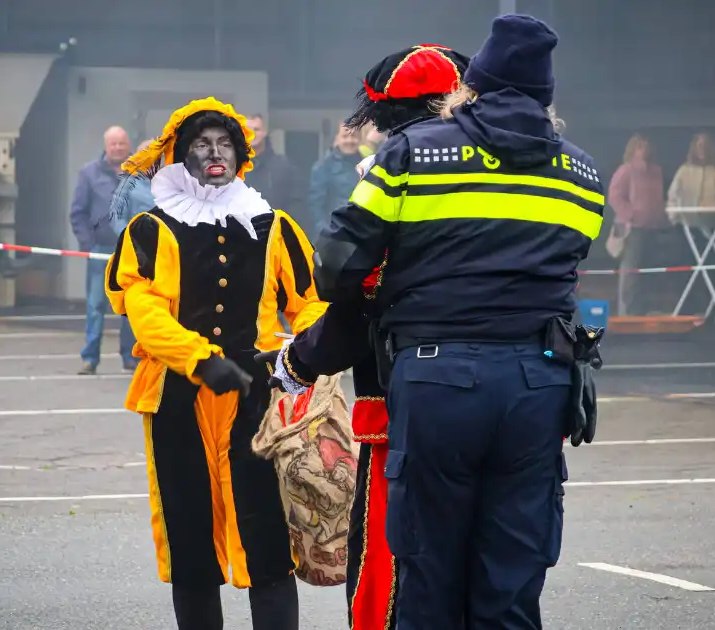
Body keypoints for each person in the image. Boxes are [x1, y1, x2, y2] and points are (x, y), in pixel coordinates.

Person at [312, 15, 603, 630]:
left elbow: (336, 270)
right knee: (513, 580)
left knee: (429, 575)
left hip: (437, 379)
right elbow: (567, 270)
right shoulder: (583, 174)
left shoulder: (411, 154)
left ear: (472, 87)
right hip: (540, 384)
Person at [256, 43, 471, 630]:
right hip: (515, 398)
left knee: (390, 554)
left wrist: (297, 363)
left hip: (408, 396)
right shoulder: (522, 173)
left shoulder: (395, 173)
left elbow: (354, 289)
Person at [104, 97, 327, 630]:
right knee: (191, 539)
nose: (215, 153)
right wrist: (199, 359)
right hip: (178, 397)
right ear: (181, 155)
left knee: (267, 537)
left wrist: (304, 353)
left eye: (225, 143)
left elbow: (310, 301)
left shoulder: (273, 225)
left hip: (258, 397)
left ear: (241, 154)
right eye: (202, 145)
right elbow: (145, 311)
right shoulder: (151, 229)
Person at [70, 125, 137, 374]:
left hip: (131, 251)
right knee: (95, 305)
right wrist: (88, 244)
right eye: (113, 144)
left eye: (122, 143)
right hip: (99, 250)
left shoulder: (141, 171)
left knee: (131, 306)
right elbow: (78, 213)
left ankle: (130, 357)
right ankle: (90, 358)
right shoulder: (89, 173)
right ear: (106, 146)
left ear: (128, 145)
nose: (118, 148)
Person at [608, 133, 667, 315]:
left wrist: (660, 215)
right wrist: (630, 214)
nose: (644, 150)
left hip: (652, 226)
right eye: (640, 146)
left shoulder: (656, 172)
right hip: (631, 228)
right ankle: (628, 312)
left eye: (646, 146)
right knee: (631, 271)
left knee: (648, 270)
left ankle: (643, 309)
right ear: (632, 149)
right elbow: (614, 196)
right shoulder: (626, 170)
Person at [243, 113, 302, 220]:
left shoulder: (283, 165)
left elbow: (295, 202)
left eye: (257, 129)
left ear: (265, 132)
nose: (252, 134)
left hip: (275, 227)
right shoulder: (233, 168)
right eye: (248, 130)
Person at [308, 122, 363, 234]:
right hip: (334, 234)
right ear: (337, 138)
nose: (349, 140)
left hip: (360, 234)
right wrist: (326, 233)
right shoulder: (323, 167)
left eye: (353, 136)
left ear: (360, 139)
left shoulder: (368, 165)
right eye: (345, 136)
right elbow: (316, 207)